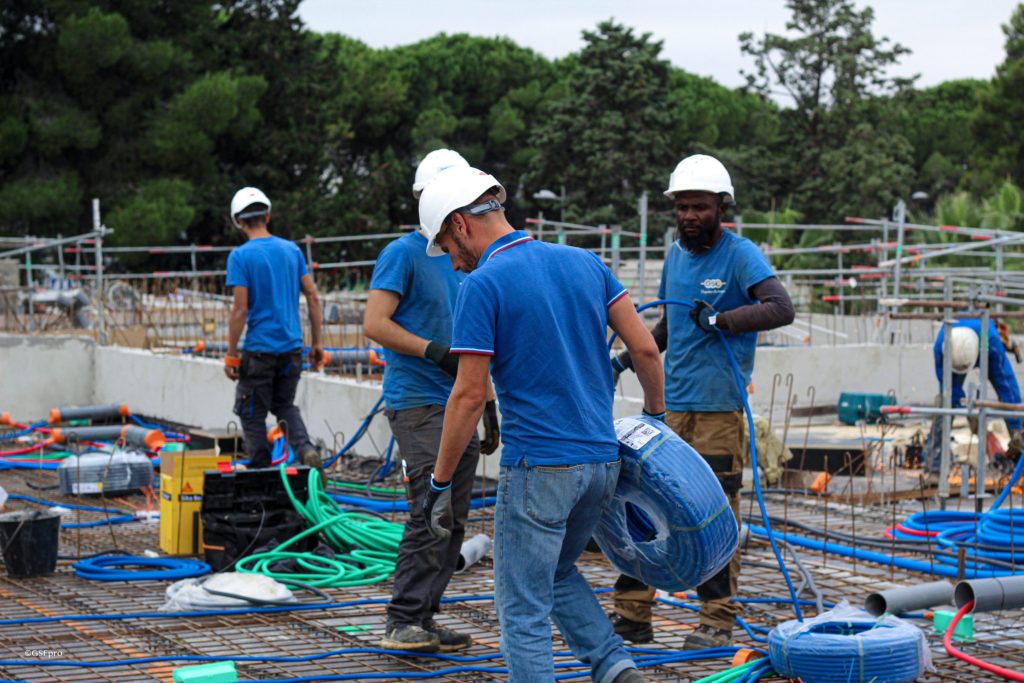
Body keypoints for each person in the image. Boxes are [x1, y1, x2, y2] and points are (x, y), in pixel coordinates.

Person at [418, 165, 665, 683]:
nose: (453, 262)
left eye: (446, 243)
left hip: (540, 469)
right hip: (601, 461)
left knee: (522, 608)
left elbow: (467, 396)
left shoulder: (484, 285)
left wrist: (439, 483)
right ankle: (615, 667)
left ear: (461, 223)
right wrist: (656, 420)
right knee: (554, 573)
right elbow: (644, 347)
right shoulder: (585, 263)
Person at [608, 154, 794, 649]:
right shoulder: (675, 255)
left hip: (718, 411)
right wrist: (624, 361)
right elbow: (667, 326)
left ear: (720, 207)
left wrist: (726, 320)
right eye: (683, 207)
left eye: (700, 207)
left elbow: (781, 307)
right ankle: (632, 614)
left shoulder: (740, 255)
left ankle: (716, 618)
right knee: (643, 506)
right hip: (669, 409)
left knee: (712, 513)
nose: (690, 216)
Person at [364, 149, 499, 653]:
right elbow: (375, 323)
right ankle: (402, 619)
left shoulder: (469, 256)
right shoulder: (404, 253)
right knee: (430, 507)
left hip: (459, 401)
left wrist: (486, 403)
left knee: (454, 518)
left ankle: (424, 615)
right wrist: (432, 351)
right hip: (419, 402)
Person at [224, 187, 324, 467]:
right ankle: (305, 450)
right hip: (291, 348)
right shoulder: (292, 251)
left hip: (259, 351)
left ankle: (260, 470)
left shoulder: (240, 257)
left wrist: (231, 354)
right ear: (268, 215)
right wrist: (317, 344)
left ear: (239, 221)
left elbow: (240, 309)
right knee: (283, 406)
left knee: (252, 412)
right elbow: (313, 297)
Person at [930, 319, 1023, 468]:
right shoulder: (941, 349)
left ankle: (1020, 455)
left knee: (1010, 397)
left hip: (984, 345)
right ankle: (935, 467)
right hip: (954, 357)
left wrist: (1016, 426)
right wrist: (969, 411)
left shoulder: (991, 343)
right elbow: (947, 388)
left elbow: (1007, 385)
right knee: (944, 404)